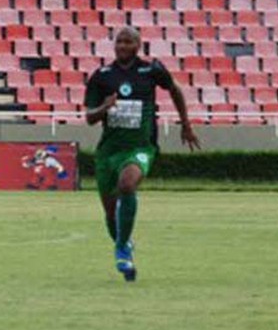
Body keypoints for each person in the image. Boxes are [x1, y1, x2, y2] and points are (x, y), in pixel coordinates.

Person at [84, 27, 200, 281]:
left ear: (138, 45)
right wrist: (105, 106)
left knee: (127, 185)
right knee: (110, 213)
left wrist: (186, 124)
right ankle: (124, 247)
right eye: (119, 42)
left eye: (128, 42)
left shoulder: (151, 70)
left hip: (140, 147)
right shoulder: (102, 76)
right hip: (108, 152)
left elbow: (175, 90)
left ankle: (122, 249)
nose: (123, 46)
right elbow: (90, 118)